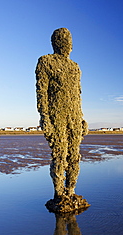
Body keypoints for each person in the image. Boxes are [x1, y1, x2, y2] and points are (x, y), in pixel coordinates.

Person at [35, 28, 89, 212]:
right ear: (55, 43)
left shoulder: (75, 67)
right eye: (64, 40)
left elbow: (78, 95)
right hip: (57, 117)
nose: (68, 44)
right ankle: (59, 194)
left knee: (74, 156)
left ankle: (71, 191)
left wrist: (82, 120)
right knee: (59, 155)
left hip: (74, 117)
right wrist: (45, 120)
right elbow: (41, 94)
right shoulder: (46, 62)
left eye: (69, 40)